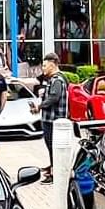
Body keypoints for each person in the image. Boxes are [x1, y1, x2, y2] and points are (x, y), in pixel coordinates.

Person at [29, 52, 68, 185]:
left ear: (52, 65)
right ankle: (53, 167)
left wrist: (39, 106)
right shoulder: (55, 79)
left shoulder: (57, 80)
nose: (43, 68)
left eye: (45, 66)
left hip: (53, 120)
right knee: (51, 146)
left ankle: (54, 173)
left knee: (53, 147)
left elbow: (53, 98)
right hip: (50, 118)